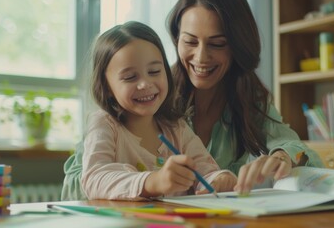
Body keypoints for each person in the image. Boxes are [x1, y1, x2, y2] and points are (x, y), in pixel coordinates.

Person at [166, 0, 323, 195]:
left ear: (237, 45)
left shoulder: (248, 96)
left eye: (217, 43)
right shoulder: (157, 91)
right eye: (190, 41)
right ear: (177, 39)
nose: (201, 57)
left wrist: (282, 157)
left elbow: (302, 152)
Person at [70, 21, 236, 200]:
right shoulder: (104, 124)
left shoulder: (176, 128)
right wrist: (153, 181)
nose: (145, 84)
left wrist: (219, 179)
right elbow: (94, 179)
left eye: (155, 71)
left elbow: (205, 170)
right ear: (107, 87)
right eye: (130, 77)